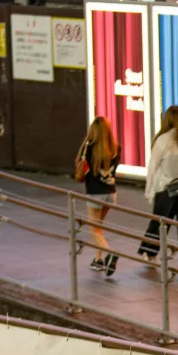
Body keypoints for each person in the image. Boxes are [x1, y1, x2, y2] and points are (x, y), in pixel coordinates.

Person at [139, 104, 178, 273]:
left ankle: (149, 252)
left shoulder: (162, 140)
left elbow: (152, 167)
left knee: (160, 224)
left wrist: (149, 191)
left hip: (166, 189)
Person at [74, 115, 122, 274]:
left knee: (94, 230)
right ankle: (98, 260)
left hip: (95, 193)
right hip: (110, 193)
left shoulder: (90, 148)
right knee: (98, 229)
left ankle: (109, 255)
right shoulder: (116, 148)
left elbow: (80, 167)